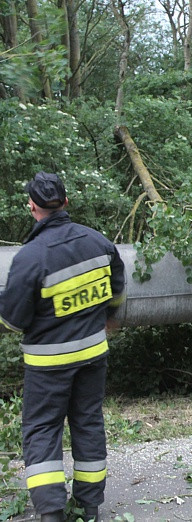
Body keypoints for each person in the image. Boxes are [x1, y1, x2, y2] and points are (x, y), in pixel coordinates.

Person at [0, 172, 126, 522]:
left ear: (32, 207)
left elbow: (12, 321)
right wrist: (108, 317)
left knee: (42, 430)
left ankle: (52, 512)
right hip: (92, 356)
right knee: (88, 424)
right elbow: (117, 288)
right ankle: (89, 508)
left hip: (47, 365)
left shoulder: (30, 257)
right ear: (66, 203)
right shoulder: (98, 242)